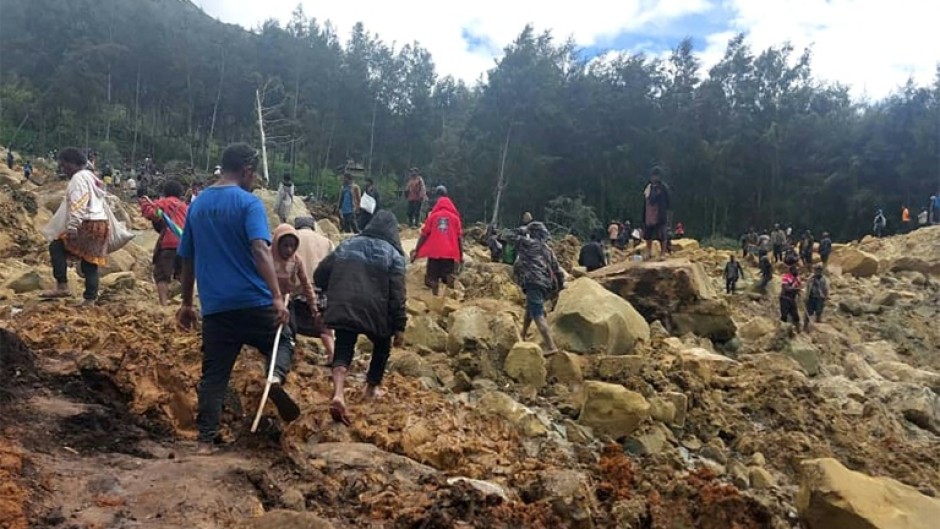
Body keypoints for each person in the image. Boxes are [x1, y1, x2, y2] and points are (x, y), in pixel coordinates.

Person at [176, 143, 299, 453]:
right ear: (246, 171)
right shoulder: (249, 203)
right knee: (284, 338)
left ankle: (205, 441)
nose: (253, 180)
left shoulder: (198, 206)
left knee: (214, 375)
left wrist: (187, 303)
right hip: (254, 301)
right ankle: (274, 378)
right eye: (253, 174)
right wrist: (276, 296)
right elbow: (260, 249)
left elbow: (187, 259)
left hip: (216, 308)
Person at [314, 210, 407, 426]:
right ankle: (371, 389)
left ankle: (339, 392)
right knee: (382, 346)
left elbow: (320, 274)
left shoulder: (347, 245)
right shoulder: (394, 255)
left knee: (344, 346)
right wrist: (399, 326)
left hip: (345, 305)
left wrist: (330, 291)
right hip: (376, 312)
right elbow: (398, 293)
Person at [40, 148, 109, 305]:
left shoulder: (78, 179)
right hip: (100, 223)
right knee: (90, 262)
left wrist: (73, 226)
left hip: (87, 223)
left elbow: (80, 202)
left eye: (65, 165)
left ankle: (62, 286)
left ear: (74, 163)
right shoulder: (91, 177)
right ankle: (90, 299)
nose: (64, 169)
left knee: (57, 246)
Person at [513, 222, 564, 354]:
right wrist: (560, 287)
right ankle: (522, 335)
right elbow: (558, 270)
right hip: (545, 284)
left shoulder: (527, 244)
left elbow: (507, 235)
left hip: (533, 282)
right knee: (530, 309)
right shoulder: (547, 249)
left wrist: (522, 230)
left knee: (537, 315)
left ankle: (551, 346)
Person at [293, 217, 335, 362]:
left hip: (297, 290)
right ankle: (332, 355)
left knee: (290, 324)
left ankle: (289, 353)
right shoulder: (326, 242)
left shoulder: (292, 237)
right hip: (320, 291)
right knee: (325, 329)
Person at [140, 180, 189, 306]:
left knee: (162, 275)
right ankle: (185, 302)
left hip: (168, 243)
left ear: (165, 192)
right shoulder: (185, 206)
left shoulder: (163, 203)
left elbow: (151, 214)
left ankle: (164, 304)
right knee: (182, 274)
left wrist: (144, 203)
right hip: (184, 243)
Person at [413, 186, 462, 296]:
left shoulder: (433, 216)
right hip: (449, 253)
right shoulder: (455, 218)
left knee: (431, 277)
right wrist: (461, 256)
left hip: (434, 252)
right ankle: (449, 290)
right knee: (447, 275)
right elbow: (459, 238)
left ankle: (434, 291)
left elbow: (424, 235)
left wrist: (417, 250)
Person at [642, 167, 671, 259]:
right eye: (653, 176)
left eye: (656, 176)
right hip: (649, 214)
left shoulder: (663, 188)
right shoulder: (648, 187)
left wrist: (666, 212)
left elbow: (668, 201)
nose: (654, 178)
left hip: (660, 213)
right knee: (648, 235)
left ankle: (663, 253)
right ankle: (648, 251)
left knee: (662, 235)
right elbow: (645, 201)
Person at [804, 264, 829, 330]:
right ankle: (805, 326)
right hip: (811, 297)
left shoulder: (824, 279)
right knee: (809, 312)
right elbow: (807, 286)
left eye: (819, 270)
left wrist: (825, 297)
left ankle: (818, 322)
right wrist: (806, 296)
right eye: (816, 270)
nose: (817, 272)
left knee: (819, 310)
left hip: (819, 297)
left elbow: (826, 289)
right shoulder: (811, 278)